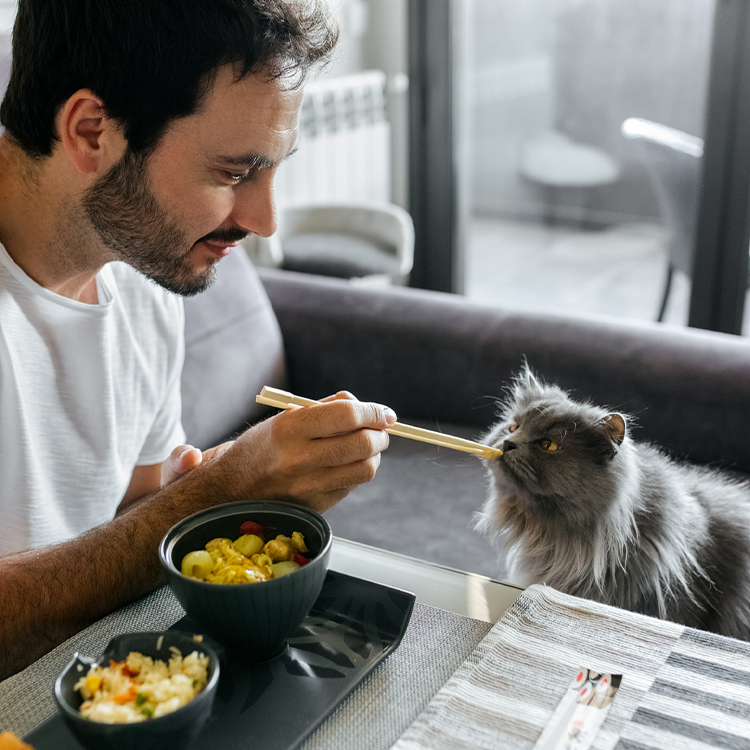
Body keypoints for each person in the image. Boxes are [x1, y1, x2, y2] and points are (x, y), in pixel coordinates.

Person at [0, 0, 396, 681]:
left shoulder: (149, 280)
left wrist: (217, 497)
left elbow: (126, 523)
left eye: (273, 170)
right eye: (235, 174)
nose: (265, 222)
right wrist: (206, 499)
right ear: (91, 131)